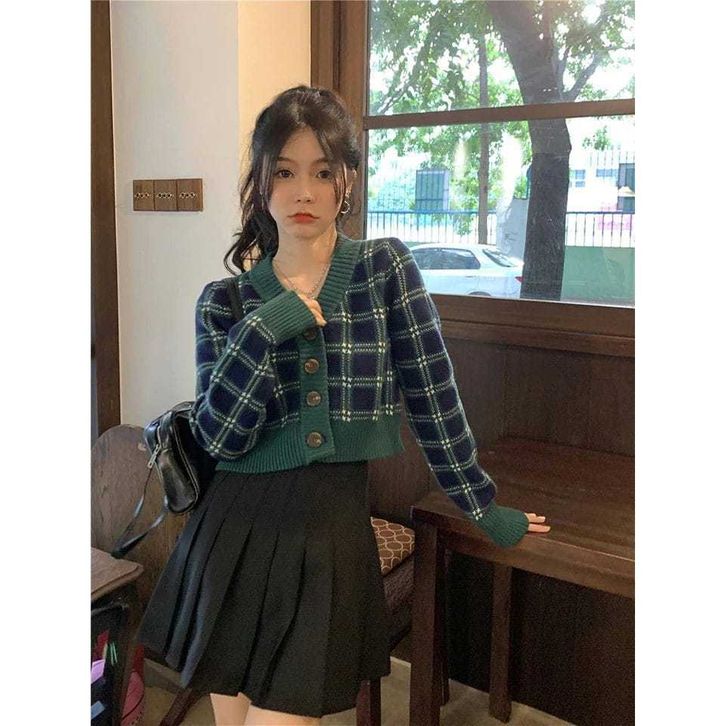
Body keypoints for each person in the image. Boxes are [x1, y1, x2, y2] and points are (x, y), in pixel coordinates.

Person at [136, 85, 550, 726]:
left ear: (347, 181)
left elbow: (433, 396)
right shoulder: (225, 302)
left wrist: (480, 504)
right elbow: (220, 437)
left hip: (325, 533)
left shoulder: (384, 271)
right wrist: (263, 330)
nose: (303, 191)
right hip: (231, 536)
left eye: (322, 172)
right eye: (284, 172)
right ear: (261, 183)